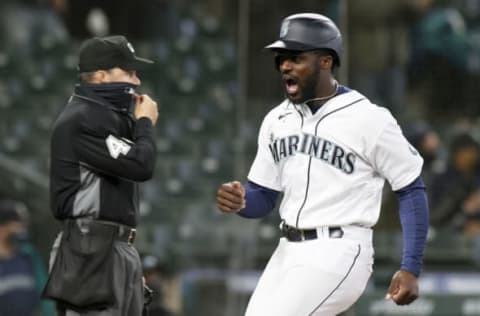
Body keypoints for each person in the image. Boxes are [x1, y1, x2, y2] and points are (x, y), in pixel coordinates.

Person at [216, 13, 429, 315]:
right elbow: (263, 198)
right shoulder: (277, 119)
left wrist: (411, 267)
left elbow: (411, 189)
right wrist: (240, 201)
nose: (285, 66)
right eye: (281, 58)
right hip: (287, 250)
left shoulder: (368, 118)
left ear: (326, 61)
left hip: (340, 248)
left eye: (296, 57)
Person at [43, 35, 159, 316]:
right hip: (89, 250)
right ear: (100, 75)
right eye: (129, 72)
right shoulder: (81, 118)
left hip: (114, 248)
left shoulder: (107, 117)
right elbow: (141, 165)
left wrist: (125, 261)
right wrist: (144, 123)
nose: (136, 81)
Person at [0, 199, 55, 316]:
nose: (22, 229)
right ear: (2, 226)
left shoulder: (29, 256)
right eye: (18, 224)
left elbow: (45, 297)